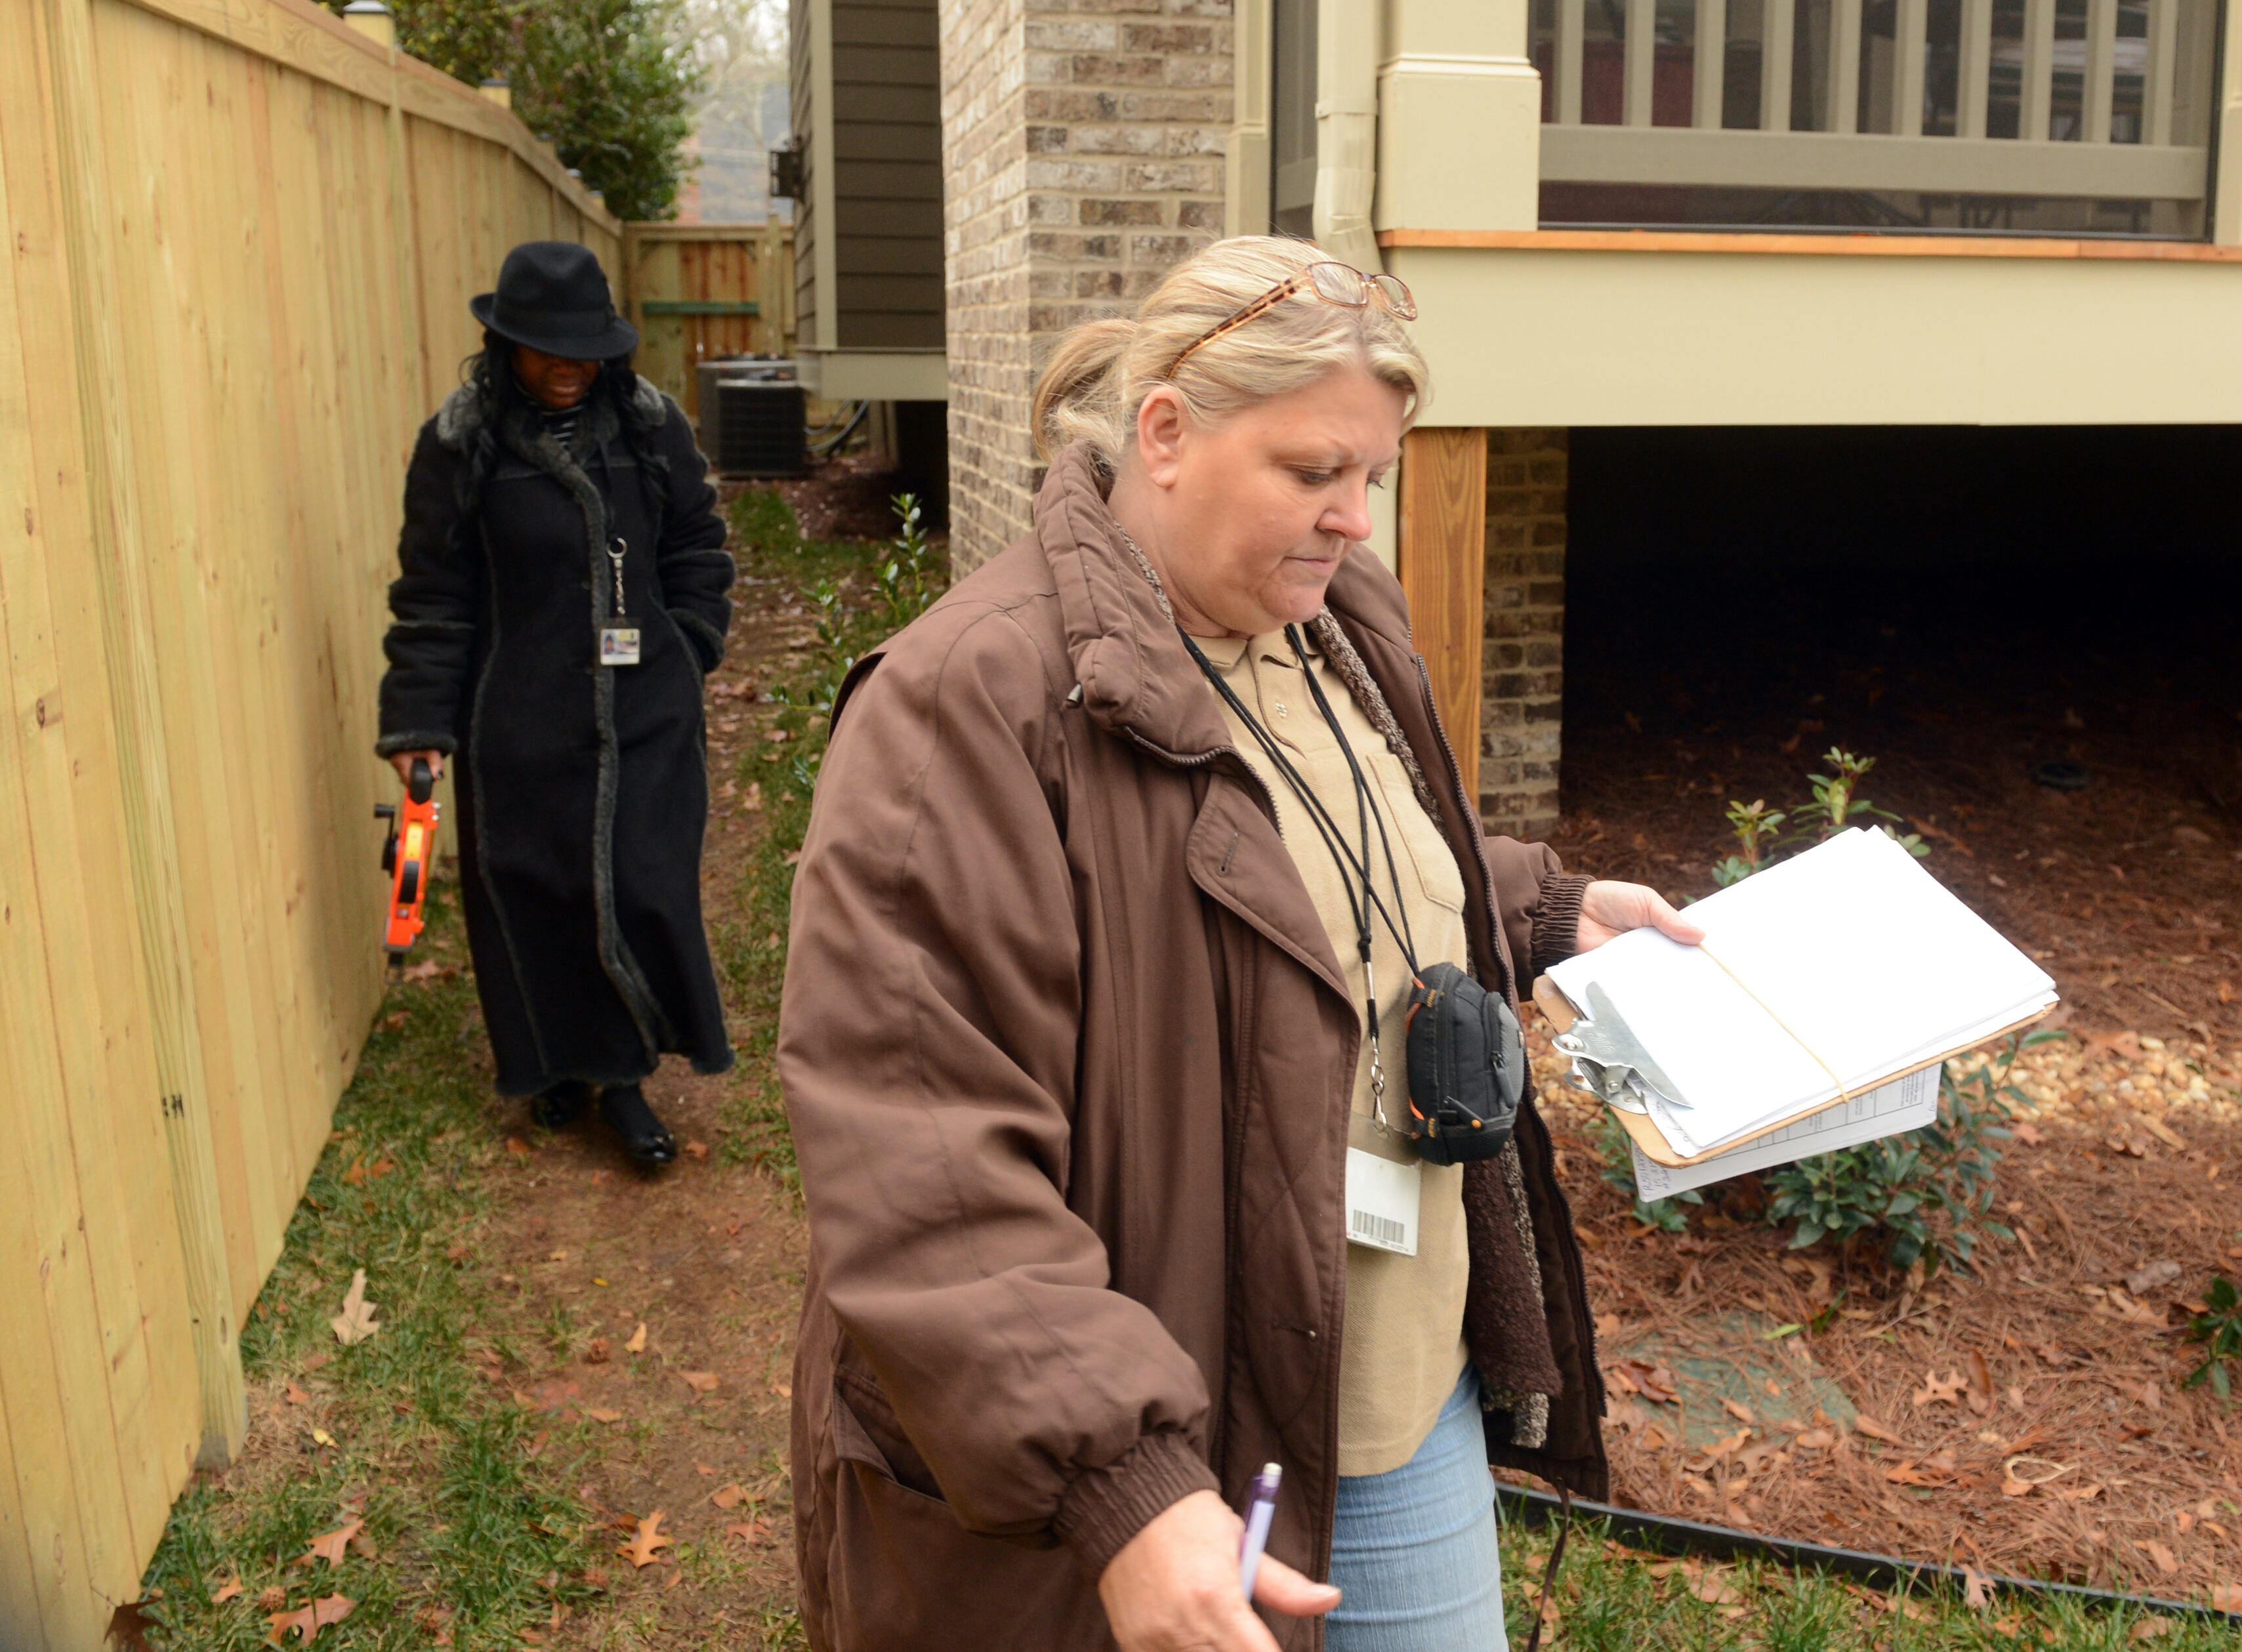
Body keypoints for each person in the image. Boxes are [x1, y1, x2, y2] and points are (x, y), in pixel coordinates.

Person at [778, 235, 1702, 1651]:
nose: (1354, 521)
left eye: (1372, 479)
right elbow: (921, 1152)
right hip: (1171, 1454)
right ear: (1165, 433)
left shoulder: (1336, 626)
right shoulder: (972, 702)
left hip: (1401, 1393)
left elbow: (1352, 866)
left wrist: (1546, 909)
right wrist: (1125, 1483)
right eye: (1312, 471)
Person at [377, 241, 736, 1167]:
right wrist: (421, 725)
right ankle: (572, 1071)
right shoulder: (460, 445)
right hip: (520, 726)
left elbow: (697, 543)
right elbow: (434, 598)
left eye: (587, 351)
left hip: (646, 713)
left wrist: (687, 645)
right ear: (506, 345)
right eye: (549, 351)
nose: (571, 369)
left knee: (640, 884)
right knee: (539, 901)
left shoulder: (649, 427)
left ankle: (624, 1081)